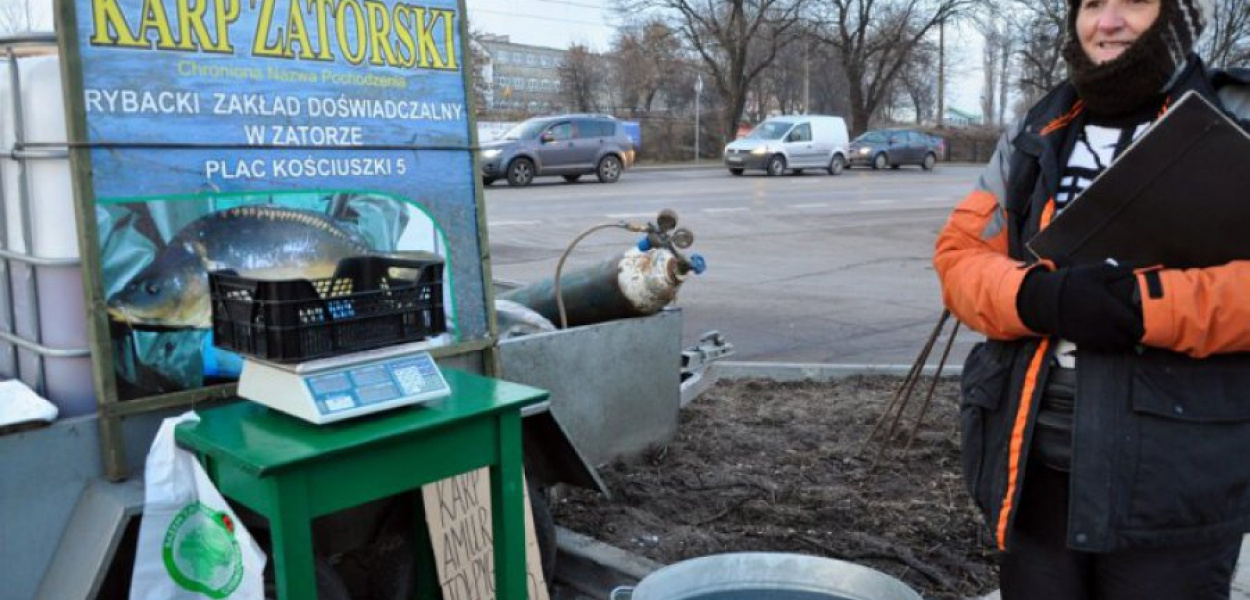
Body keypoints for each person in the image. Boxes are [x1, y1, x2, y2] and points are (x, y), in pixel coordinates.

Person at [933, 0, 1250, 597]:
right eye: (1092, 4)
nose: (1106, 22)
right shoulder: (1039, 128)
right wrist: (1036, 299)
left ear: (1183, 16)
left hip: (1173, 492)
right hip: (1033, 474)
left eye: (1133, 1)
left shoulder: (1233, 116)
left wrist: (1141, 307)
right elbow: (959, 257)